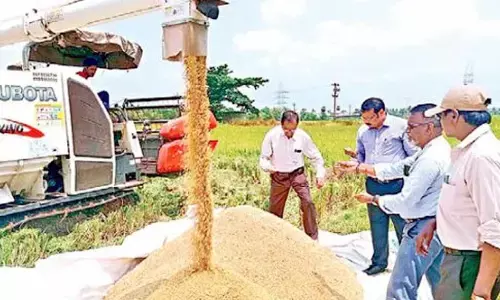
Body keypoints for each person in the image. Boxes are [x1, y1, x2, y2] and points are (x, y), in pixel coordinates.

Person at [336, 103, 450, 299]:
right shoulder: (434, 149)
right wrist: (359, 168)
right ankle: (379, 261)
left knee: (400, 288)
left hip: (422, 228)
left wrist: (374, 199)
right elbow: (399, 166)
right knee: (440, 281)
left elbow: (406, 202)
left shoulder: (429, 159)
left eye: (412, 126)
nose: (408, 131)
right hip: (435, 224)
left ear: (429, 127)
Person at [415, 85, 500, 300]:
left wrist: (481, 292)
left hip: (471, 263)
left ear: (454, 115)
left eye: (442, 115)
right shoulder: (466, 151)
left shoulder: (482, 157)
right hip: (460, 258)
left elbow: (495, 227)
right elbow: (467, 202)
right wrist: (436, 223)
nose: (440, 122)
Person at [346, 97, 420, 276]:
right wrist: (352, 162)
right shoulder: (363, 131)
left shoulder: (401, 127)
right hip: (373, 184)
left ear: (382, 113)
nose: (367, 123)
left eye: (370, 119)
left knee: (403, 225)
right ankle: (379, 262)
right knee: (377, 224)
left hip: (396, 185)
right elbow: (362, 157)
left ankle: (408, 266)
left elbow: (414, 156)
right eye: (364, 119)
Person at [259, 110, 326, 240]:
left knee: (308, 202)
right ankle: (274, 236)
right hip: (278, 174)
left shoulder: (303, 137)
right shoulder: (272, 136)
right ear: (281, 124)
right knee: (275, 208)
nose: (289, 133)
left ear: (297, 126)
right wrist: (268, 167)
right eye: (286, 129)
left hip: (297, 174)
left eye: (292, 130)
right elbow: (264, 157)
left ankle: (312, 237)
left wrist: (320, 173)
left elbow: (315, 157)